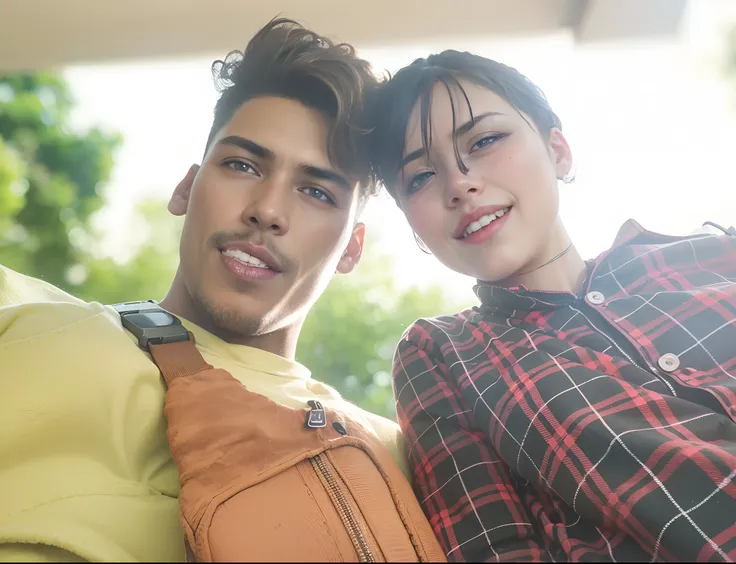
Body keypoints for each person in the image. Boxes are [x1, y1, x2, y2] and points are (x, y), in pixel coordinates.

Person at [0, 19, 444, 562]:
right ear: (187, 187)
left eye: (316, 191)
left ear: (352, 249)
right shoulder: (23, 313)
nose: (267, 209)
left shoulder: (398, 451)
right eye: (241, 164)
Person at [366, 49, 736, 562]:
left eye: (485, 140)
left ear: (558, 150)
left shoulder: (714, 252)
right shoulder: (444, 355)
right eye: (421, 177)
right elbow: (495, 550)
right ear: (414, 228)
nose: (459, 184)